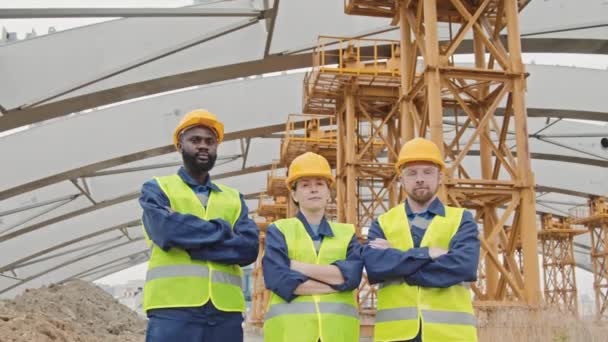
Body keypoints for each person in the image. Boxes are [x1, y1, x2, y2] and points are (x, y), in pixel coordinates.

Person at [139, 109, 259, 342]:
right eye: (195, 140)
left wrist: (190, 244)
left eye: (210, 141)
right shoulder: (157, 189)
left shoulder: (233, 198)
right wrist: (225, 230)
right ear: (179, 146)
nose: (203, 146)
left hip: (225, 314)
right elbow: (166, 231)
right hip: (173, 310)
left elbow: (248, 249)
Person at [362, 138, 480, 342]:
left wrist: (399, 264)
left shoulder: (461, 219)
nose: (419, 179)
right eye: (412, 173)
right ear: (401, 179)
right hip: (396, 335)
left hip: (450, 335)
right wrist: (427, 255)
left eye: (427, 172)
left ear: (440, 177)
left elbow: (464, 267)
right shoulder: (382, 223)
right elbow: (375, 267)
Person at [262, 152, 363, 342]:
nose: (313, 190)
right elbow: (278, 280)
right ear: (294, 194)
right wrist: (336, 283)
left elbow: (352, 277)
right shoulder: (279, 230)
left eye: (319, 184)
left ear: (328, 193)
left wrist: (297, 267)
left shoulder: (347, 233)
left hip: (337, 333)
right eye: (305, 185)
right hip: (292, 334)